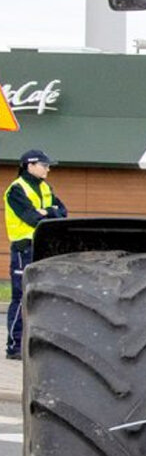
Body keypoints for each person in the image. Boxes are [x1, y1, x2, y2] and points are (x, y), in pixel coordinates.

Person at [5, 150, 67, 360]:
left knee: (44, 297)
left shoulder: (45, 187)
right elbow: (32, 218)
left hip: (44, 246)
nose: (48, 169)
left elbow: (63, 212)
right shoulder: (16, 189)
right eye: (44, 165)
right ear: (30, 165)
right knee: (22, 297)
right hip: (24, 248)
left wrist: (46, 211)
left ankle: (39, 345)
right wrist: (49, 212)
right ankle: (14, 346)